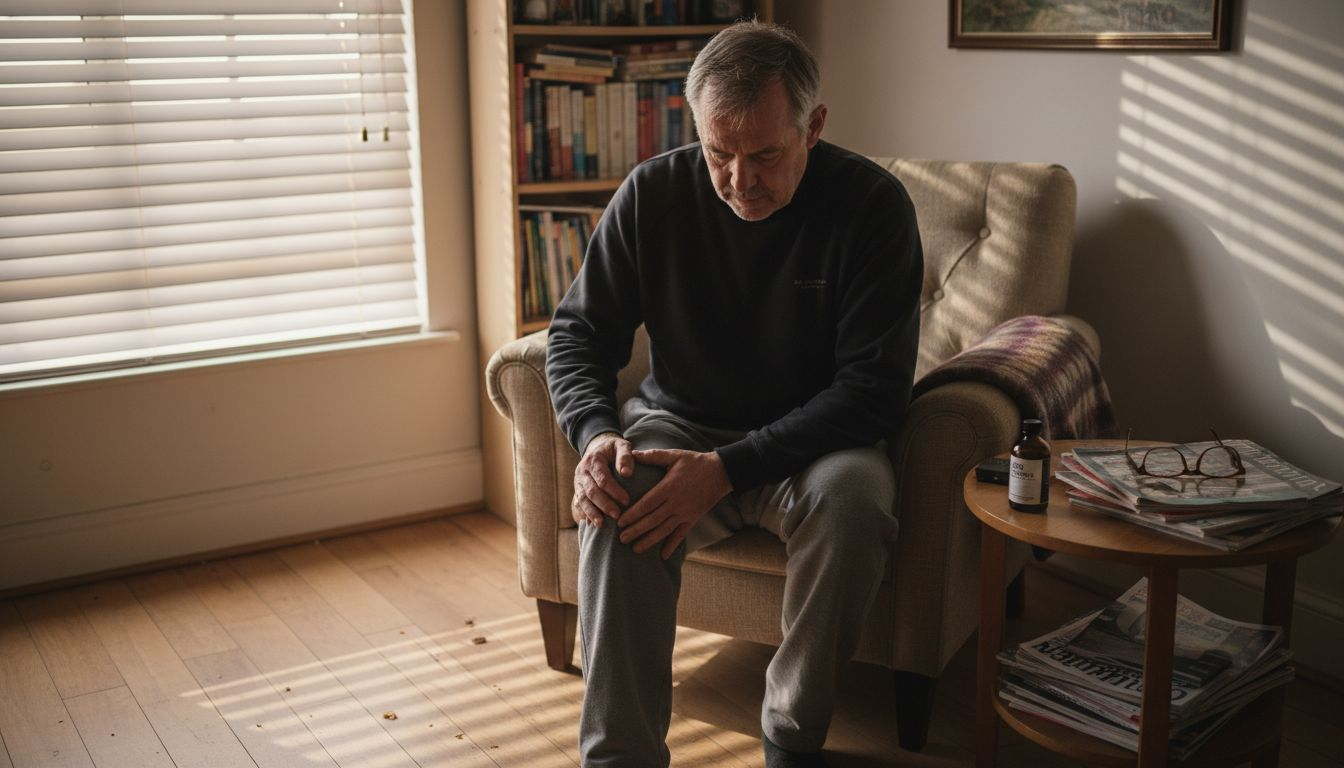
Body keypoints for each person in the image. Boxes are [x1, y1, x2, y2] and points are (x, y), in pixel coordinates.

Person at [546, 20, 924, 768]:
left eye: (764, 156)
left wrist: (727, 469)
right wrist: (593, 436)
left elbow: (874, 391)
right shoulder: (652, 192)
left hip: (821, 447)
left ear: (812, 127)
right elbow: (578, 335)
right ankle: (619, 756)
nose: (738, 181)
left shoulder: (874, 207)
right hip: (680, 425)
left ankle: (791, 736)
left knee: (855, 502)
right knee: (618, 496)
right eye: (719, 153)